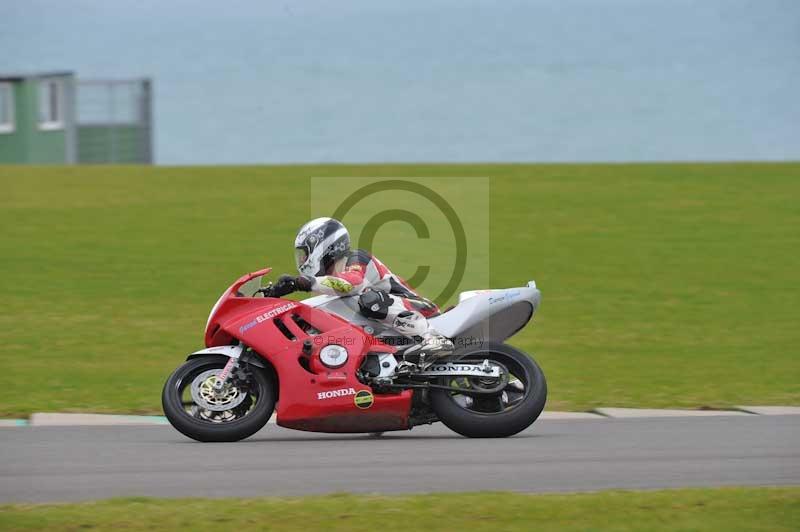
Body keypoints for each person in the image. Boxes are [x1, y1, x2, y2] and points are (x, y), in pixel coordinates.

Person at [269, 217, 453, 359]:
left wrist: (302, 282)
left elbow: (351, 284)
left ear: (323, 246)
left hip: (421, 312)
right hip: (388, 330)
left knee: (368, 299)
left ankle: (432, 339)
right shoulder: (330, 282)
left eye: (304, 253)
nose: (302, 260)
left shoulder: (357, 258)